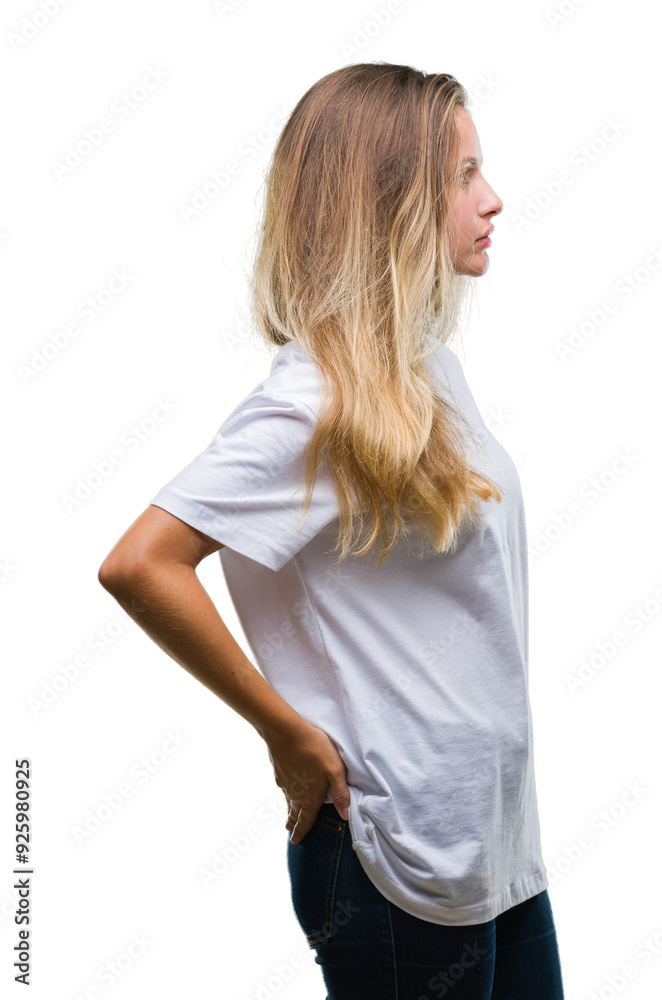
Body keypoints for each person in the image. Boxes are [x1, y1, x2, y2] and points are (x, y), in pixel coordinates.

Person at [98, 62, 566, 999]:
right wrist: (285, 732)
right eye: (464, 175)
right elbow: (141, 563)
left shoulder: (429, 371)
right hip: (390, 856)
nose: (493, 198)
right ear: (392, 205)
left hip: (494, 848)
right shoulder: (312, 401)